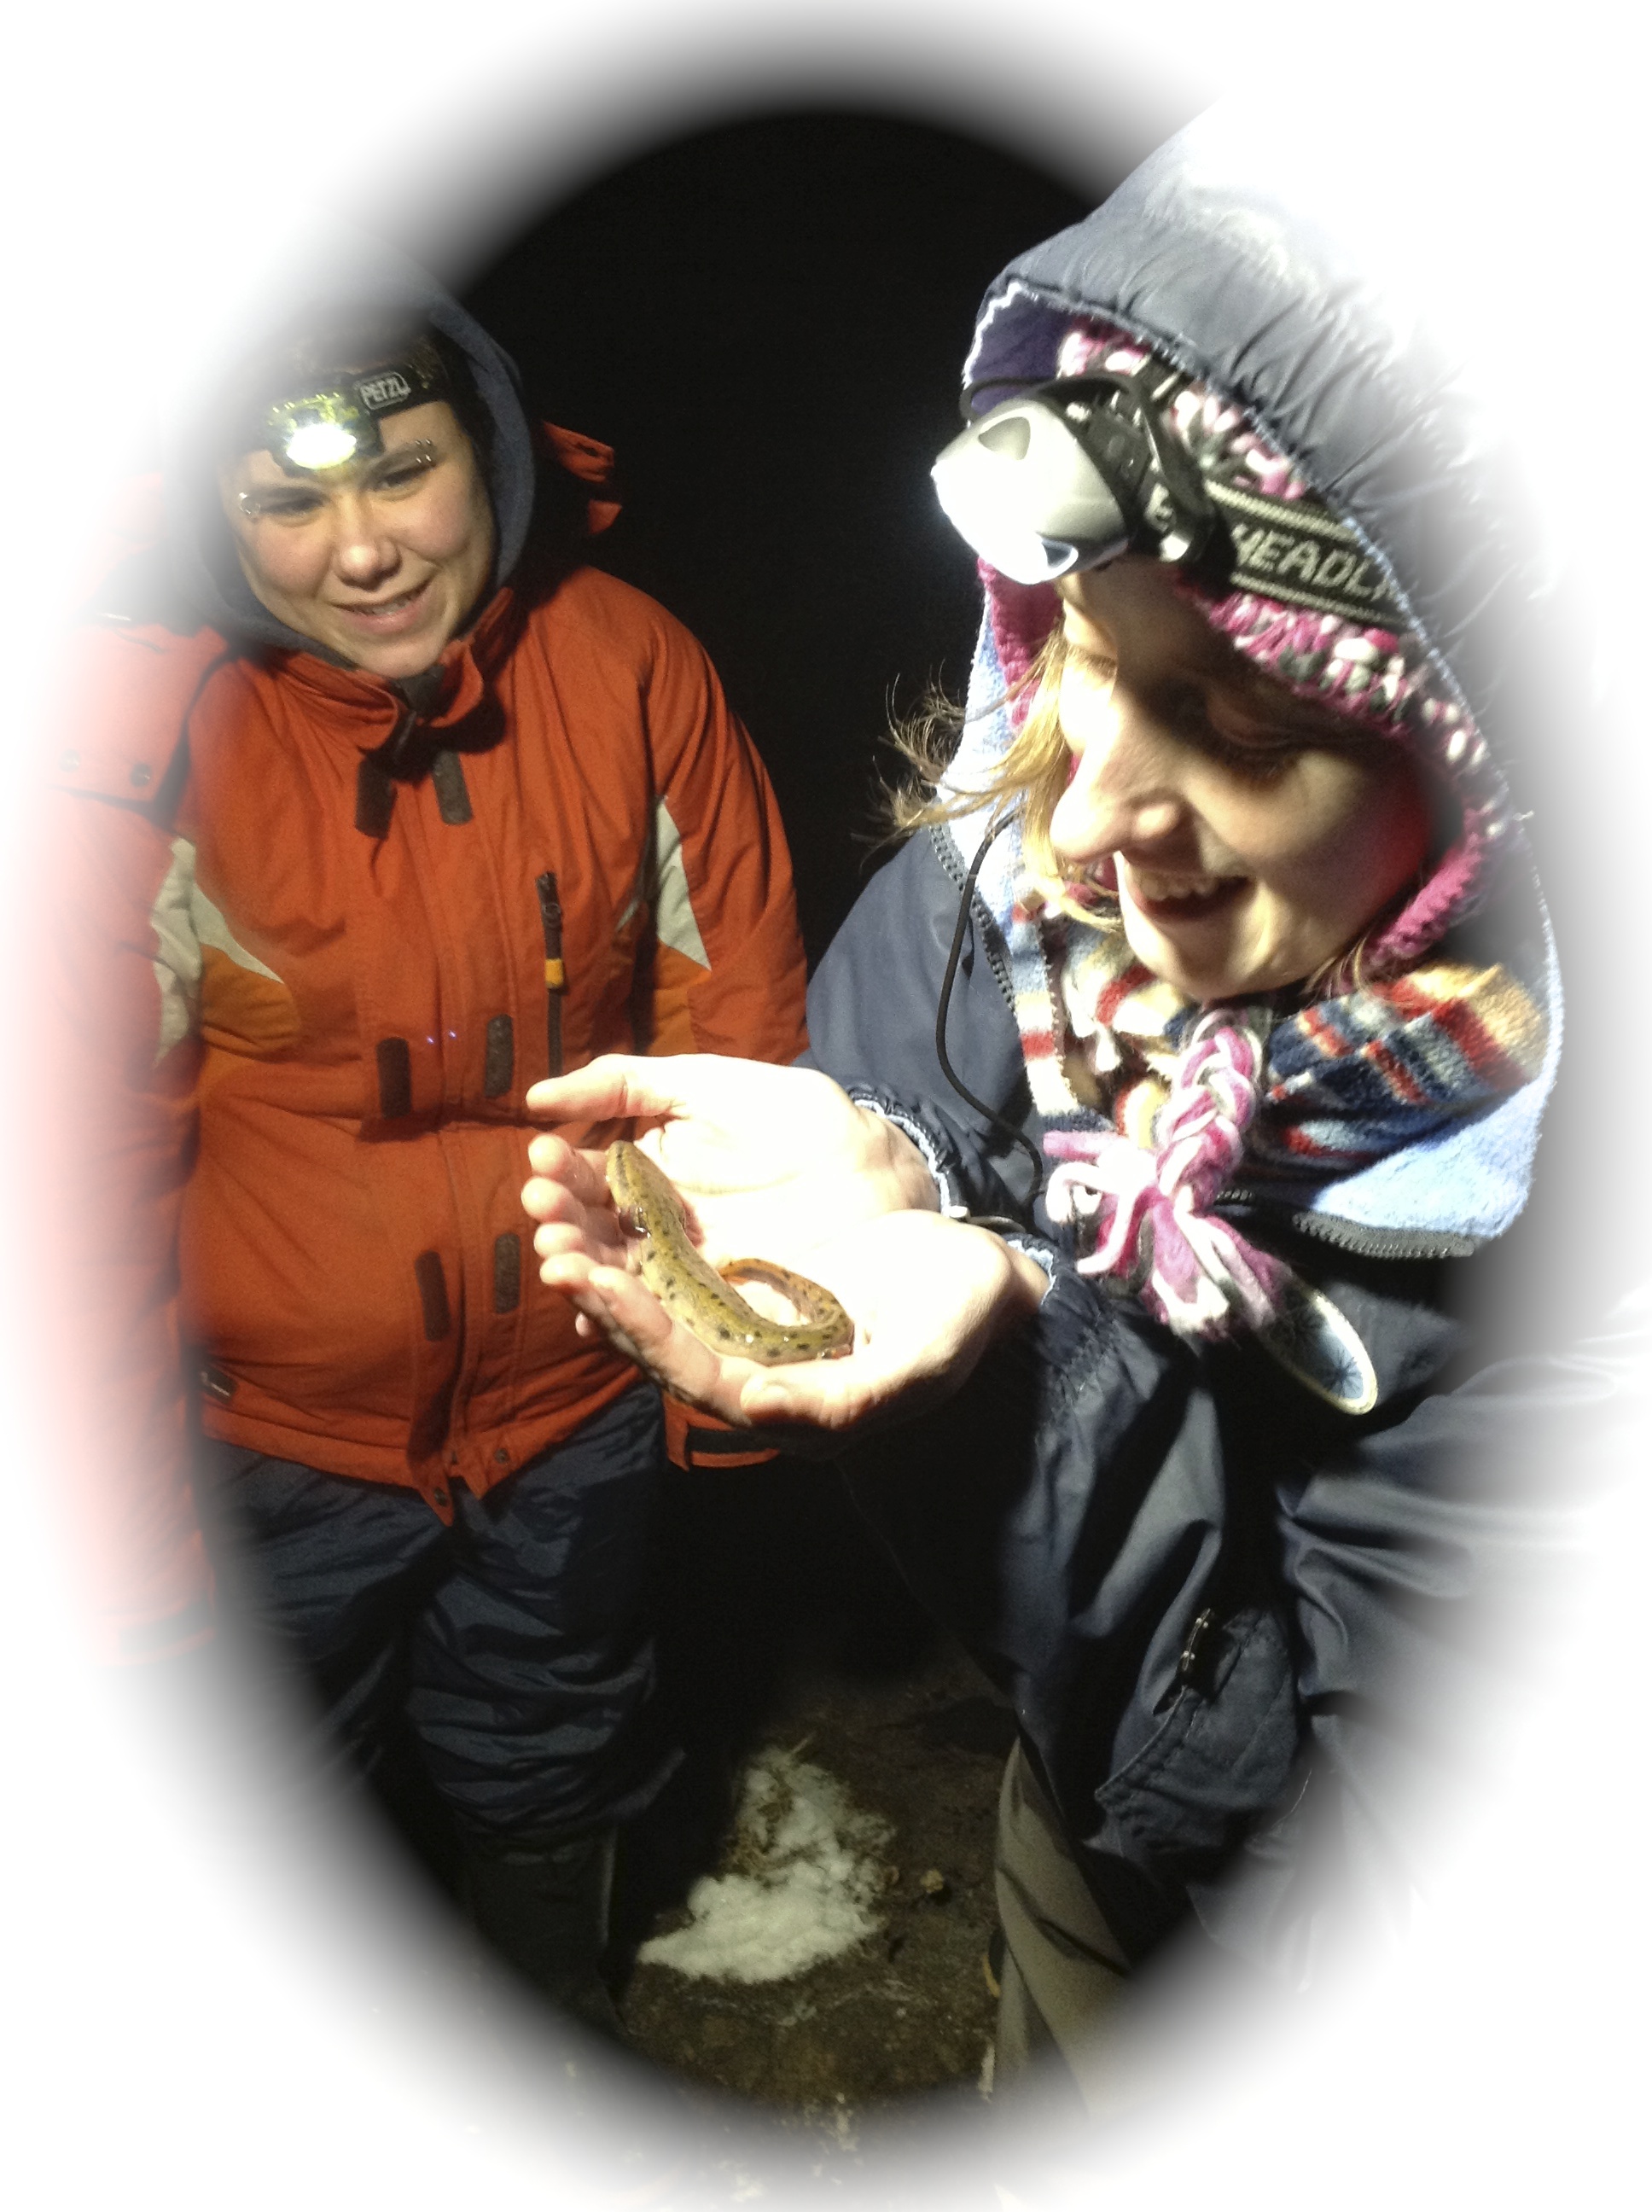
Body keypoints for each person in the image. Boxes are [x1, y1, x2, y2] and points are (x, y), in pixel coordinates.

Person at [517, 108, 1620, 2111]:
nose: (1088, 816)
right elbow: (924, 1093)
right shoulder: (993, 884)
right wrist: (925, 1183)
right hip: (1086, 1849)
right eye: (1073, 655)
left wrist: (1016, 1362)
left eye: (1243, 715)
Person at [43, 234, 809, 2033]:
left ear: (490, 448)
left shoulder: (628, 665)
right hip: (262, 1438)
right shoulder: (143, 738)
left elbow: (736, 1026)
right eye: (287, 501)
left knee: (555, 1737)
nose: (366, 547)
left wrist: (719, 1363)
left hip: (575, 1401)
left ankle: (533, 2047)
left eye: (404, 470)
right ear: (212, 512)